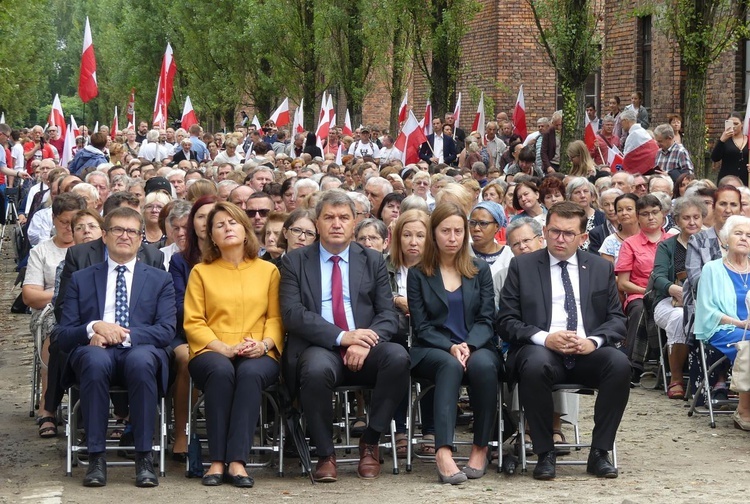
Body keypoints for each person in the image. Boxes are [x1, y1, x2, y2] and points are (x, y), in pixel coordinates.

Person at [279, 190, 409, 482]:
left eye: (344, 218)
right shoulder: (295, 261)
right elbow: (292, 314)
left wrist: (366, 340)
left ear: (354, 223)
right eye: (329, 217)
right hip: (321, 345)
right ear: (317, 222)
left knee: (398, 358)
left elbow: (388, 314)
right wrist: (342, 337)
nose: (336, 224)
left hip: (366, 344)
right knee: (314, 370)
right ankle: (326, 454)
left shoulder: (373, 260)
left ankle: (371, 442)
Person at [497, 202, 630, 480]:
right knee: (534, 365)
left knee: (619, 363)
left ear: (583, 238)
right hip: (541, 350)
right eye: (555, 231)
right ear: (544, 231)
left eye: (569, 234)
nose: (560, 238)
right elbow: (506, 321)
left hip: (587, 351)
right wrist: (545, 338)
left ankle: (599, 452)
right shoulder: (522, 266)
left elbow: (617, 320)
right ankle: (545, 453)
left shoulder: (598, 268)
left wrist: (593, 341)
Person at [56, 207, 176, 487]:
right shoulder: (82, 278)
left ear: (140, 239)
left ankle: (144, 457)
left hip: (140, 349)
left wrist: (121, 335)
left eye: (132, 231)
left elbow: (166, 330)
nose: (125, 236)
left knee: (141, 361)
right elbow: (62, 334)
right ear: (105, 236)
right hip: (94, 350)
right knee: (95, 360)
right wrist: (94, 327)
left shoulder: (160, 279)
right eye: (117, 230)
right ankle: (96, 457)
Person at [183, 202, 282, 487]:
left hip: (258, 349)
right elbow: (193, 321)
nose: (228, 228)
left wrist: (263, 345)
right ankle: (216, 460)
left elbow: (275, 317)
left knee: (250, 373)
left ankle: (237, 461)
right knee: (221, 371)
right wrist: (222, 347)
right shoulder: (201, 272)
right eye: (220, 225)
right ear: (211, 237)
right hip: (212, 350)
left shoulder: (268, 271)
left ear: (245, 228)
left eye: (233, 222)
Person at [407, 202, 500, 484]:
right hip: (433, 348)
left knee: (484, 366)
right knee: (449, 365)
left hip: (477, 345)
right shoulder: (419, 273)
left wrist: (468, 346)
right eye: (445, 231)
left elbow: (487, 319)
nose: (452, 237)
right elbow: (421, 326)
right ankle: (443, 451)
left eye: (459, 231)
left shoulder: (478, 269)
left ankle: (480, 447)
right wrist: (451, 346)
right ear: (434, 233)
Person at [22, 193, 87, 437]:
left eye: (75, 223)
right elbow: (30, 295)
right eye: (64, 222)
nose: (69, 228)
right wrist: (61, 295)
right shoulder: (42, 251)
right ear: (54, 219)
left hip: (87, 311)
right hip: (50, 312)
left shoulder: (92, 249)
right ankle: (47, 408)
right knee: (55, 331)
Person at [695, 215, 750, 430]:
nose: (744, 238)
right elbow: (707, 309)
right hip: (723, 329)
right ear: (725, 238)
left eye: (749, 235)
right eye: (738, 233)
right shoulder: (712, 268)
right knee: (748, 344)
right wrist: (741, 323)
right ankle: (744, 409)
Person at [651, 197, 707, 399]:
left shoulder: (712, 243)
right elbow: (657, 277)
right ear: (677, 220)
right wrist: (674, 289)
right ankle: (676, 379)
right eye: (686, 218)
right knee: (678, 317)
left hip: (705, 301)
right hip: (671, 301)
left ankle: (714, 379)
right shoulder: (667, 246)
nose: (692, 222)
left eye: (696, 217)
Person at [615, 194, 669, 383]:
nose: (651, 217)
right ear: (638, 217)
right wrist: (646, 292)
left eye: (655, 212)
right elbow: (622, 283)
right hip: (638, 294)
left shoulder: (673, 240)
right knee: (641, 308)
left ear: (663, 214)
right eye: (645, 214)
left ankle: (672, 365)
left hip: (669, 295)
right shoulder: (630, 243)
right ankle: (632, 365)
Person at [469, 201, 512, 305]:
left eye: (483, 223)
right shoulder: (462, 252)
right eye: (472, 222)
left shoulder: (509, 255)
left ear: (496, 227)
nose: (476, 229)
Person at [567, 177, 606, 251]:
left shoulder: (602, 218)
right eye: (577, 192)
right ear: (570, 197)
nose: (582, 196)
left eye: (585, 191)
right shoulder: (565, 218)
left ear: (592, 196)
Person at [600, 193, 639, 265]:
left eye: (629, 209)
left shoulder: (649, 236)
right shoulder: (610, 242)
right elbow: (607, 273)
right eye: (620, 210)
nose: (624, 213)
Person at [711, 112, 749, 186]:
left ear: (742, 124)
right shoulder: (725, 140)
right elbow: (715, 158)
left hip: (745, 180)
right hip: (727, 180)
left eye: (736, 124)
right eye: (731, 124)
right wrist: (721, 140)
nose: (734, 127)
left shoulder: (748, 140)